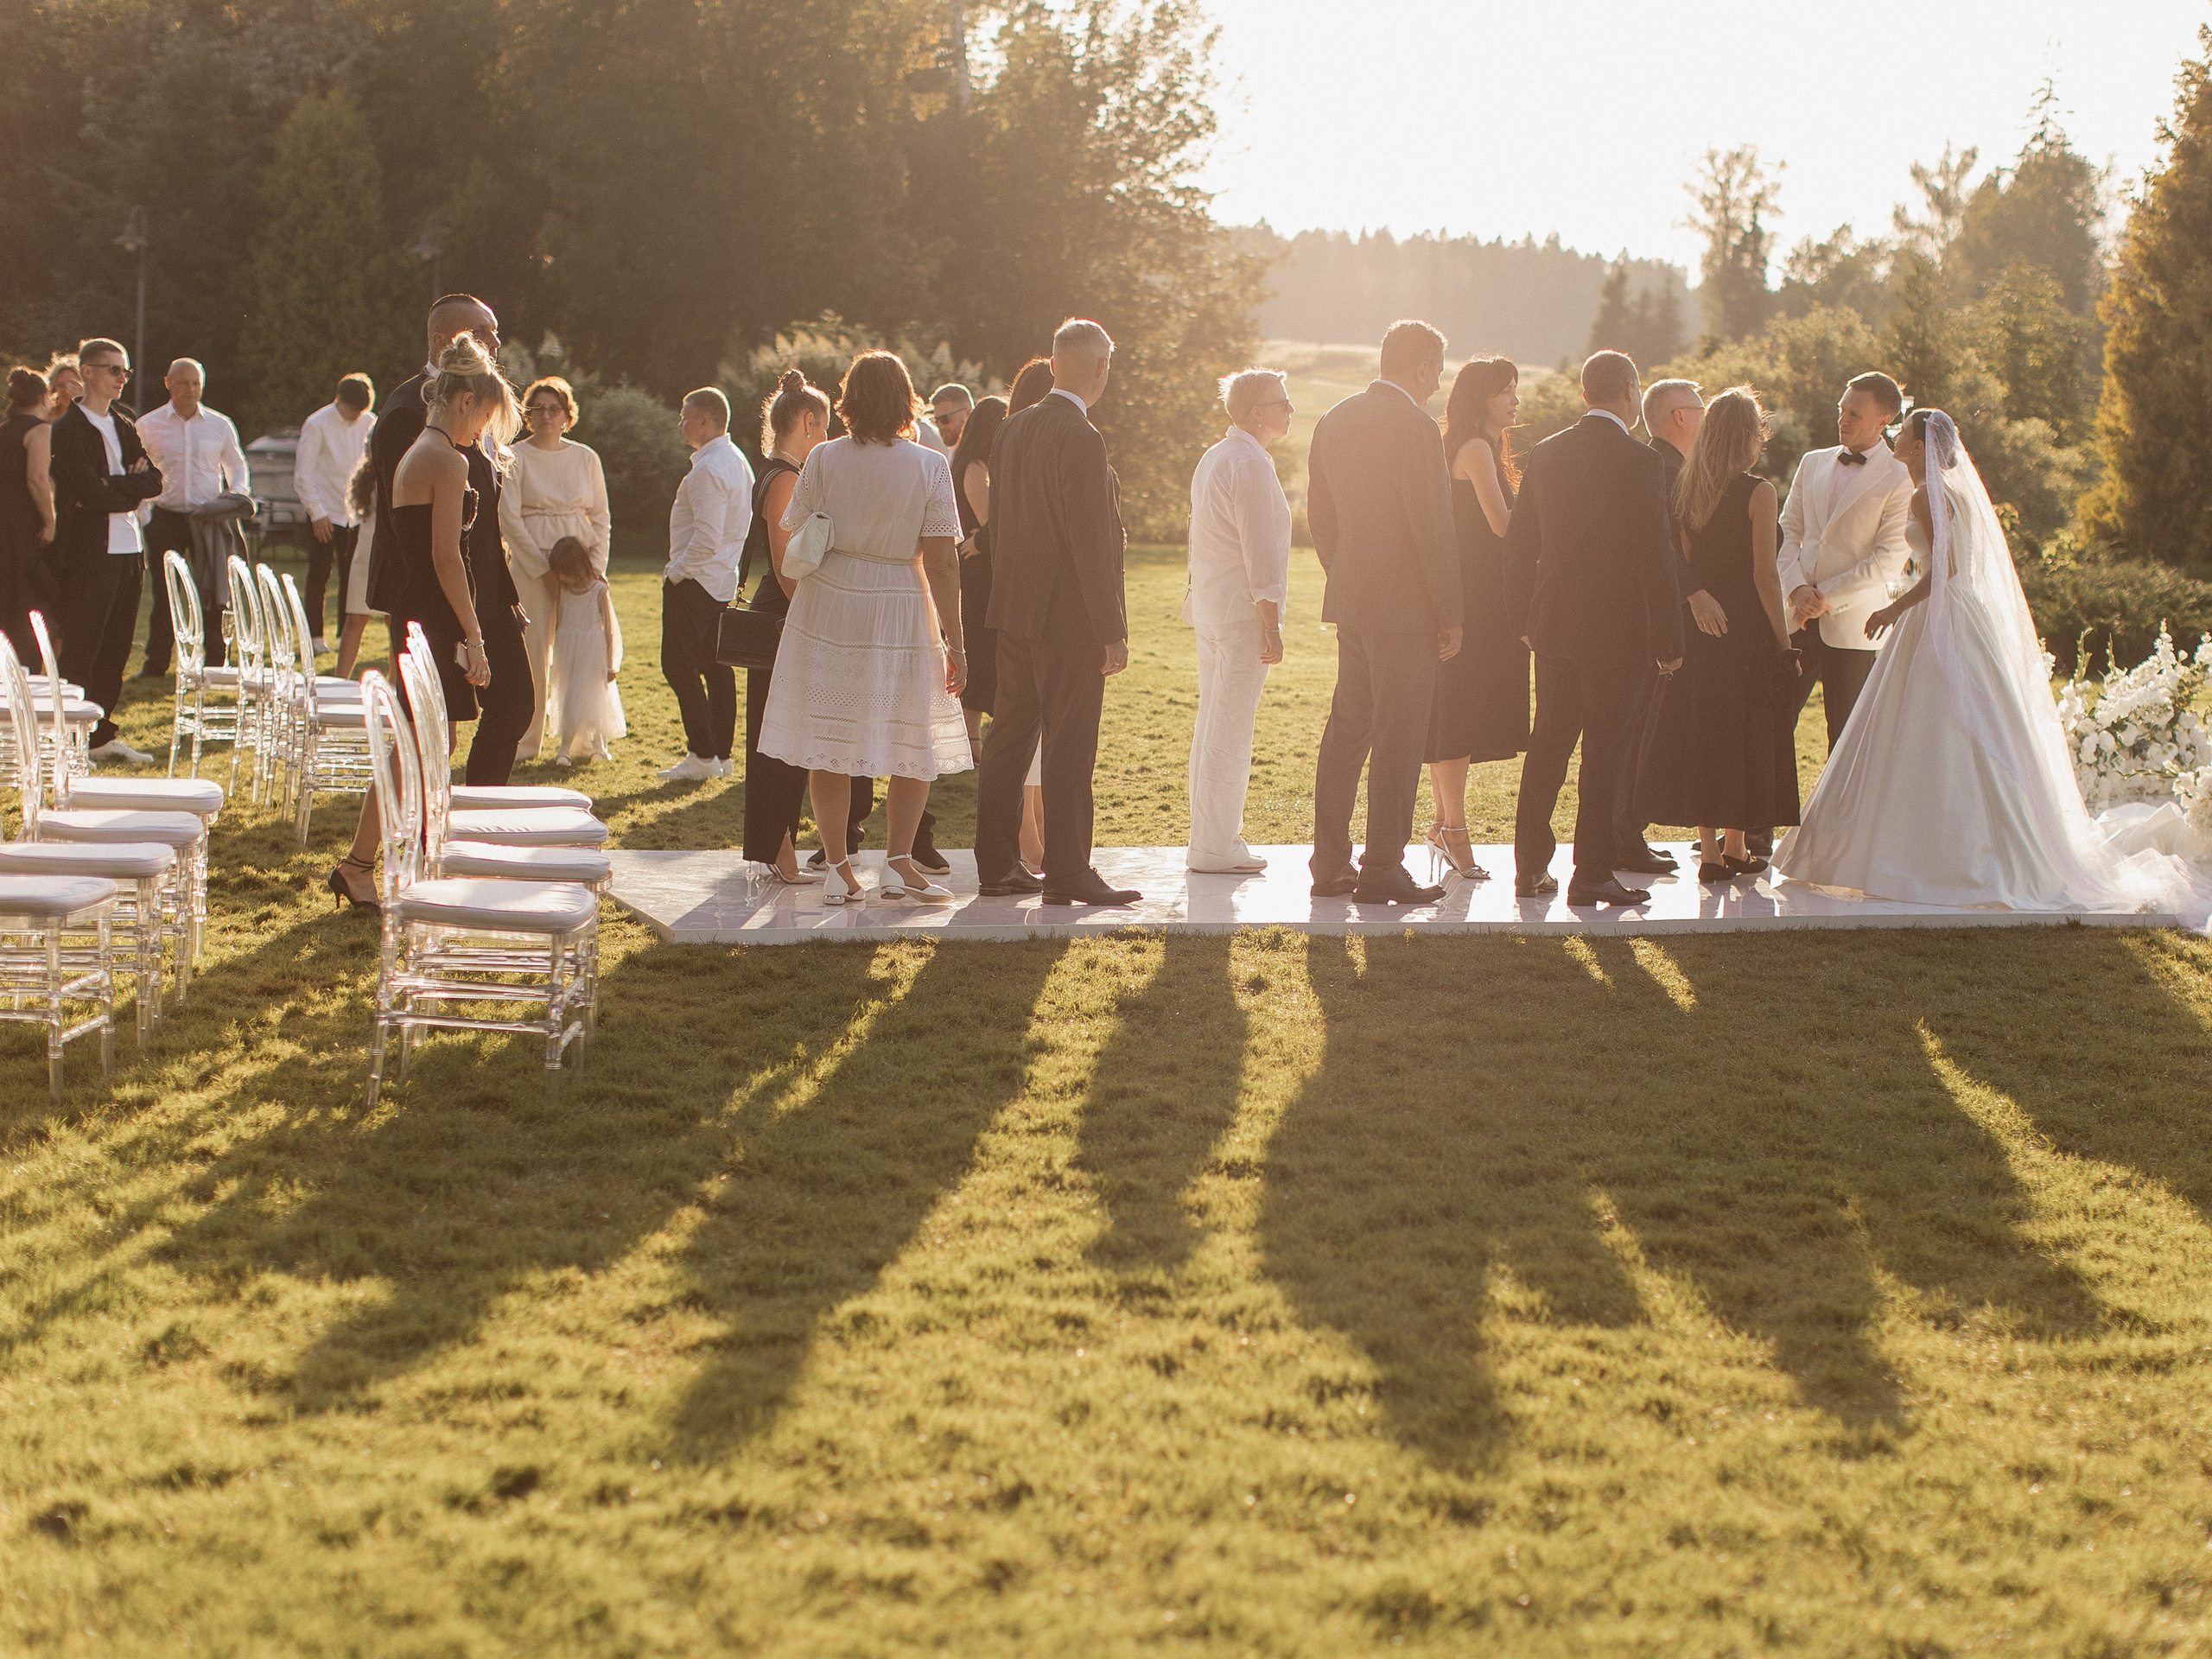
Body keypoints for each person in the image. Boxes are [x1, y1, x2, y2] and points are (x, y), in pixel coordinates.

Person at [1775, 410, 2198, 915]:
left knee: (1934, 723)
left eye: (1902, 435)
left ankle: (1935, 852)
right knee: (1953, 721)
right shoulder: (1946, 493)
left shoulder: (1925, 496)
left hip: (1939, 612)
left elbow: (1946, 568)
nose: (1894, 438)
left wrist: (1894, 607)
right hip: (1954, 613)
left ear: (1919, 448)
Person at [758, 350, 970, 905]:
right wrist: (957, 641)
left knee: (830, 737)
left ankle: (837, 867)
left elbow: (796, 527)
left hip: (830, 602)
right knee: (912, 735)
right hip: (901, 598)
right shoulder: (929, 465)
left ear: (849, 401)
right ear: (907, 402)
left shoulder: (825, 458)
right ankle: (898, 860)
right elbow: (943, 560)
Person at [328, 333, 518, 908]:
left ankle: (384, 861)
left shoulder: (423, 451)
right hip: (432, 616)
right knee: (417, 743)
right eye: (485, 415)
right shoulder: (443, 457)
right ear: (466, 402)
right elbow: (445, 557)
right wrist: (475, 635)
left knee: (421, 742)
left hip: (421, 611)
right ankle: (374, 863)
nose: (483, 430)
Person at [1503, 349, 1683, 907]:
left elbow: (1517, 547)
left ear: (1585, 394)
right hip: (1620, 633)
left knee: (1549, 745)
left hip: (1554, 627)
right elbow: (1658, 557)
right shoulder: (1641, 462)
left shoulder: (1548, 454)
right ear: (1630, 394)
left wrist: (1523, 621)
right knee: (1605, 751)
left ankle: (1530, 868)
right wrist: (1670, 642)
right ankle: (1593, 874)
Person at [973, 320, 1136, 906]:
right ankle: (1067, 872)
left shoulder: (1011, 429)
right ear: (1099, 368)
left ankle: (996, 867)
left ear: (1053, 362)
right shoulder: (1082, 436)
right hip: (1067, 619)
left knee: (1009, 738)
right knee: (1069, 743)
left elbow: (1006, 522)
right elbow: (1090, 542)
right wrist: (1111, 629)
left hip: (1013, 608)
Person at [1306, 320, 1463, 906]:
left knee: (1348, 732)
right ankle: (1382, 870)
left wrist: (1343, 570)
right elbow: (1432, 523)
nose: (1440, 380)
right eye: (1438, 368)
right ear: (1421, 366)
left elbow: (1318, 510)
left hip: (1354, 601)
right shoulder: (1417, 426)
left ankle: (1329, 865)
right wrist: (1450, 609)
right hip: (1405, 610)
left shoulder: (1335, 418)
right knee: (1398, 738)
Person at [364, 293, 531, 786]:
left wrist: (505, 593)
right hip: (439, 593)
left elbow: (485, 518)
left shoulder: (477, 396)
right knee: (429, 736)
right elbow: (412, 533)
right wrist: (460, 624)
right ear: (442, 341)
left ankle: (478, 808)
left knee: (515, 703)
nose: (496, 342)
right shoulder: (406, 412)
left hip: (483, 588)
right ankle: (452, 825)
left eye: (496, 332)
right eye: (483, 333)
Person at [1634, 387, 1799, 880]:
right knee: (1745, 733)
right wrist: (1784, 641)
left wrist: (1697, 597)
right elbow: (1764, 574)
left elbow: (1680, 556)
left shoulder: (1687, 486)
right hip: (1745, 626)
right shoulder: (1758, 491)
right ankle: (1736, 845)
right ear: (1749, 436)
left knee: (1706, 731)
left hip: (1702, 626)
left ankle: (1711, 850)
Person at [1422, 354, 1529, 881]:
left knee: (1456, 708)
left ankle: (1444, 823)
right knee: (1457, 712)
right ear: (1481, 398)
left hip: (1477, 597)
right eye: (1505, 391)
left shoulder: (1475, 446)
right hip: (1476, 600)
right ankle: (1454, 829)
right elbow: (1503, 525)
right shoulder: (1475, 449)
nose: (1515, 399)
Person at [1185, 367, 1292, 874]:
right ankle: (1214, 845)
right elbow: (1260, 551)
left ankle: (1210, 838)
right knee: (1229, 728)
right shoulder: (1248, 462)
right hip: (1241, 614)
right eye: (1281, 402)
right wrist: (1270, 623)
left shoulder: (1216, 455)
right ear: (1254, 411)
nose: (1289, 409)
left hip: (1213, 607)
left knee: (1213, 723)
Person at [1778, 371, 1913, 748]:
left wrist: (1823, 598)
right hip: (1795, 619)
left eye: (1854, 413)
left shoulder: (1901, 477)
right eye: (1841, 410)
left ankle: (1838, 811)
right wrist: (1796, 589)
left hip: (1855, 627)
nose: (1843, 420)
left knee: (1847, 742)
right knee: (1773, 724)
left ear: (1884, 421)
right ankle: (1768, 808)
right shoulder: (1812, 462)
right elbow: (1786, 532)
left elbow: (1888, 558)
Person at [1612, 375, 1713, 874]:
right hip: (1659, 617)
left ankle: (1625, 834)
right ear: (1681, 417)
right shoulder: (1664, 468)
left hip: (1644, 616)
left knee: (1639, 730)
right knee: (1641, 732)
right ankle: (1624, 838)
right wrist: (1694, 591)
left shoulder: (1661, 463)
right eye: (1701, 407)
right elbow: (1663, 547)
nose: (1706, 415)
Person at [49, 337, 162, 765]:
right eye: (114, 369)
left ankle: (99, 735)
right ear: (88, 373)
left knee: (116, 649)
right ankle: (70, 742)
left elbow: (153, 481)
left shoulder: (124, 423)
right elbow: (86, 493)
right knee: (82, 647)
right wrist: (124, 488)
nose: (121, 378)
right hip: (89, 553)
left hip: (130, 550)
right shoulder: (68, 429)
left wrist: (117, 487)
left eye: (126, 371)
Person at [741, 369, 833, 883]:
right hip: (783, 616)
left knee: (779, 734)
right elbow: (784, 564)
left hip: (780, 612)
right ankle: (779, 851)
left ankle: (779, 849)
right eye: (824, 426)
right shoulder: (787, 478)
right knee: (780, 735)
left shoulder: (778, 472)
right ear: (807, 420)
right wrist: (811, 624)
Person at [501, 374, 612, 759]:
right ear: (528, 416)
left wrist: (593, 569)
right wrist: (543, 571)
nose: (546, 415)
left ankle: (581, 740)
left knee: (581, 652)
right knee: (532, 654)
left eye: (554, 409)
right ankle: (526, 740)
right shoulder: (514, 456)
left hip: (581, 573)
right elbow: (509, 520)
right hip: (533, 569)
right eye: (538, 409)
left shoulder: (586, 457)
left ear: (567, 415)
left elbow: (601, 517)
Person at [658, 386, 752, 782]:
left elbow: (707, 537)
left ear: (705, 421)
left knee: (678, 666)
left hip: (696, 581)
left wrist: (676, 571)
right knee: (717, 668)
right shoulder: (735, 460)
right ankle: (722, 757)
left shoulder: (710, 470)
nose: (680, 422)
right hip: (720, 580)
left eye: (684, 415)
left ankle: (702, 754)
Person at [137, 357, 249, 677]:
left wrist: (236, 496)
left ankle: (215, 661)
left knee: (212, 593)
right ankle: (157, 663)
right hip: (166, 518)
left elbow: (237, 465)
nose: (190, 389)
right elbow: (135, 471)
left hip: (208, 520)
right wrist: (144, 514)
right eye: (183, 383)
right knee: (165, 593)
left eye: (196, 383)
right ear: (168, 383)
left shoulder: (220, 424)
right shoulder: (148, 425)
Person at [294, 373, 376, 652]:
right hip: (324, 511)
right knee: (319, 573)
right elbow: (303, 474)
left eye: (360, 412)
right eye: (352, 411)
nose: (356, 417)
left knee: (352, 576)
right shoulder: (317, 424)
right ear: (339, 400)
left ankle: (345, 636)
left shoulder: (370, 422)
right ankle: (315, 638)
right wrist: (317, 514)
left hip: (356, 513)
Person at [949, 394, 1007, 753]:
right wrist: (984, 540)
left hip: (983, 569)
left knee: (985, 650)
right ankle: (971, 741)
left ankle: (974, 740)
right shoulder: (975, 468)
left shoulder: (983, 466)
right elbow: (990, 524)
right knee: (981, 650)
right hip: (979, 574)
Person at [543, 534, 624, 765]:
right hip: (569, 650)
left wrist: (610, 664)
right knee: (569, 693)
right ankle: (584, 747)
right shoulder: (564, 591)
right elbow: (559, 621)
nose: (560, 576)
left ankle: (574, 748)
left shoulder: (599, 591)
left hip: (592, 652)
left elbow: (609, 629)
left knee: (586, 698)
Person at [1, 366, 54, 661]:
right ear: (45, 398)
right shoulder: (40, 429)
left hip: (2, 520)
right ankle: (26, 665)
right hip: (23, 524)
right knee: (28, 597)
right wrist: (50, 521)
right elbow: (37, 478)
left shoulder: (4, 428)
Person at [334, 455, 378, 678]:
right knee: (355, 617)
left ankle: (394, 682)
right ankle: (340, 680)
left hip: (389, 550)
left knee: (393, 619)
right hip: (366, 549)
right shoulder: (368, 475)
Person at [927, 383, 973, 453]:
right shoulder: (952, 453)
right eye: (936, 420)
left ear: (967, 414)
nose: (940, 426)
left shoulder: (987, 448)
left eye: (944, 419)